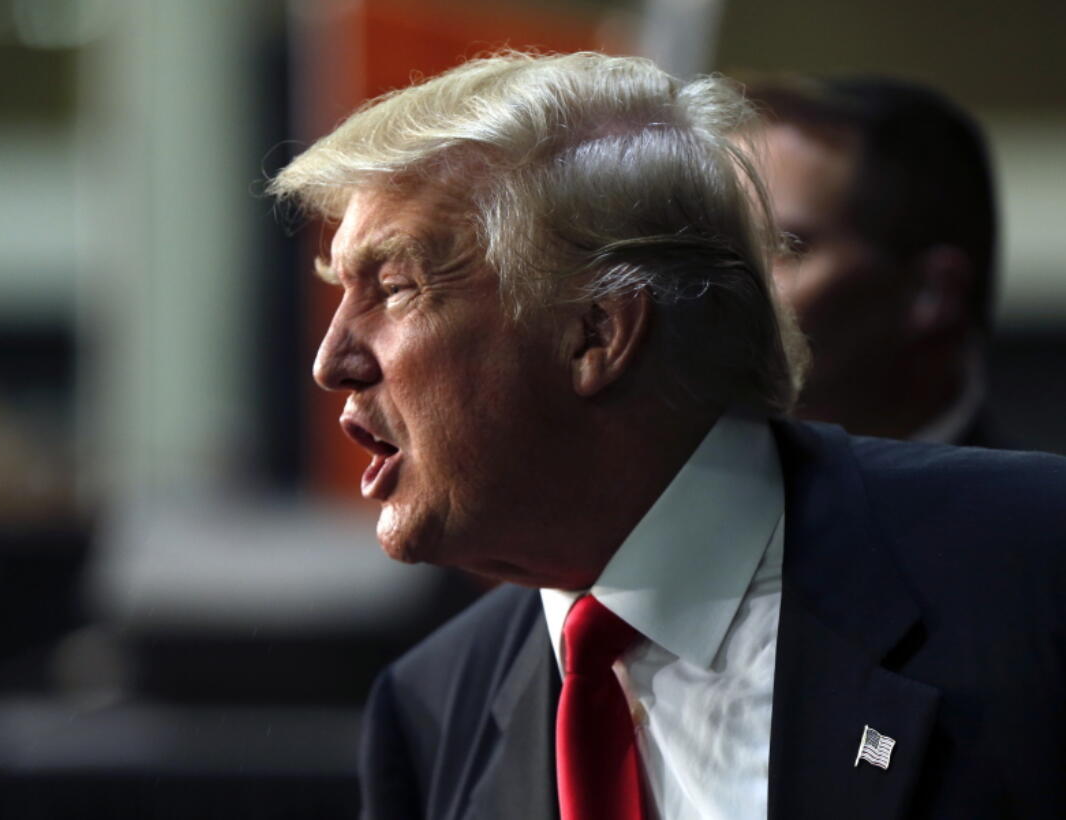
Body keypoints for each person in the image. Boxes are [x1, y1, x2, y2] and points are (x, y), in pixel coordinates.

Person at [269, 51, 1065, 819]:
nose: (331, 361)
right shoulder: (433, 710)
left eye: (396, 288)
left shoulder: (1029, 567)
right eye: (342, 292)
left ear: (596, 334)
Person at [750, 76, 1001, 444]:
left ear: (933, 293)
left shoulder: (1035, 500)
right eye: (705, 237)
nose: (707, 278)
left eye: (781, 246)